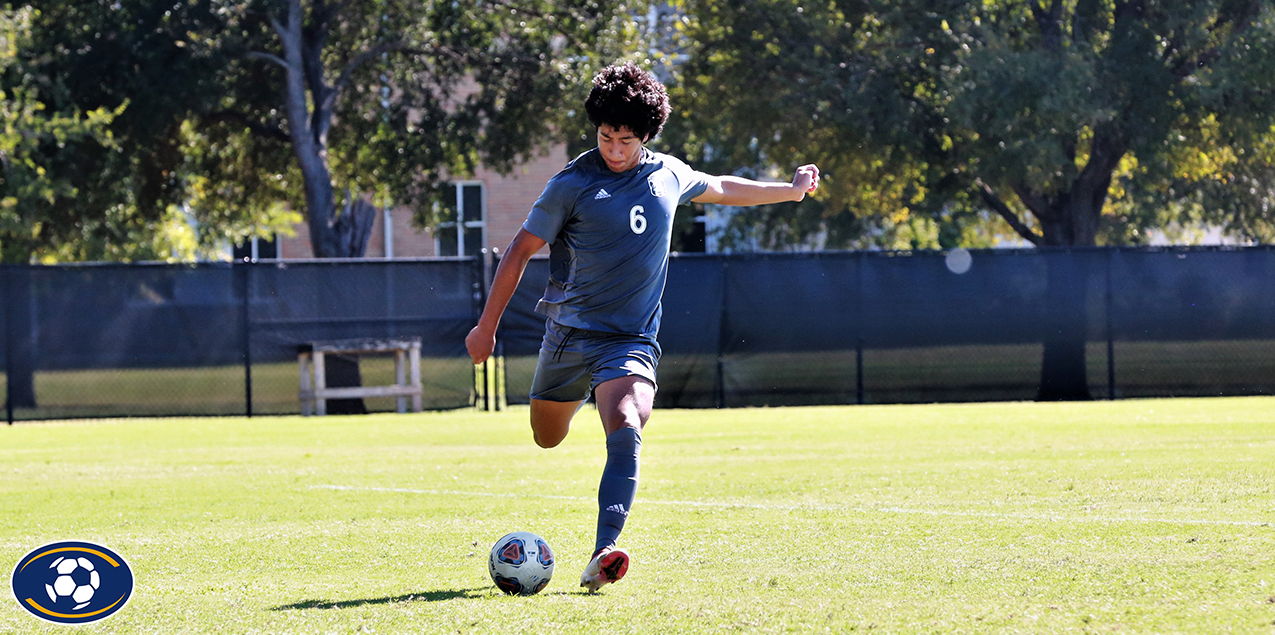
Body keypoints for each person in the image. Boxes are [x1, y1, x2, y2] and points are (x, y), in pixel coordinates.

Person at [465, 62, 819, 592]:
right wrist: (486, 326)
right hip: (568, 337)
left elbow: (721, 186)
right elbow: (519, 250)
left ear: (647, 136)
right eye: (605, 137)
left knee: (627, 421)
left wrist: (789, 192)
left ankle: (604, 550)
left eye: (625, 140)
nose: (613, 149)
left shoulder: (668, 175)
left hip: (629, 341)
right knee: (546, 437)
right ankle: (581, 399)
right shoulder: (572, 184)